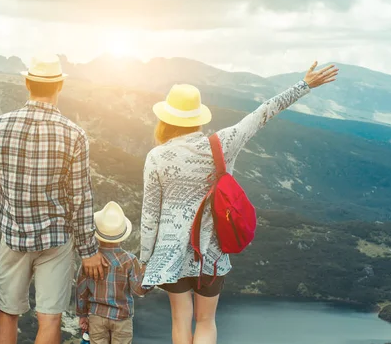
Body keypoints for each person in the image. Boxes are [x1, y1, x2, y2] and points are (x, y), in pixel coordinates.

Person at [140, 61, 338, 344]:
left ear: (166, 119)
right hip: (211, 252)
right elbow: (262, 114)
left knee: (179, 319)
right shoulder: (221, 143)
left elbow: (150, 215)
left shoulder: (156, 157)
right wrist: (304, 85)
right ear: (197, 117)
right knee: (206, 321)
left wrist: (145, 259)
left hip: (169, 253)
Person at [0, 54, 108, 344]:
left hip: (13, 235)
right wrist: (88, 249)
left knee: (7, 312)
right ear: (60, 87)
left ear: (27, 84)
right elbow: (80, 199)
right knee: (50, 316)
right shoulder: (74, 134)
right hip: (55, 239)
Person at [76, 201, 150, 344]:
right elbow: (139, 290)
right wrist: (150, 275)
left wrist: (82, 314)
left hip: (96, 316)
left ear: (97, 235)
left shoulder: (90, 260)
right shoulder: (130, 260)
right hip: (122, 317)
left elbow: (81, 290)